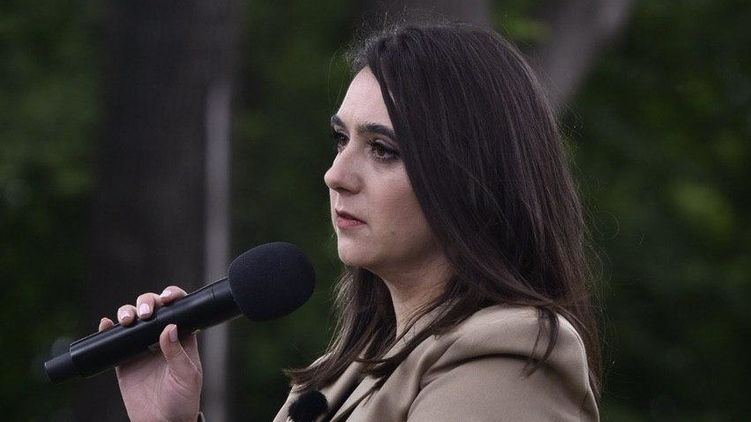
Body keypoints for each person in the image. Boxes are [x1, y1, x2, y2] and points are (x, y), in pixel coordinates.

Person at [99, 21, 602, 421]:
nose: (336, 175)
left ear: (472, 176)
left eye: (382, 149)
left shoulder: (508, 355)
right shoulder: (339, 376)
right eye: (341, 140)